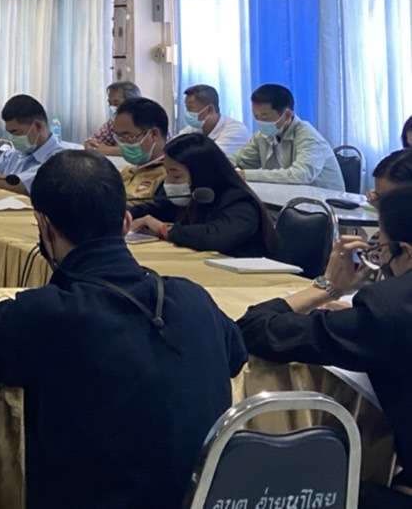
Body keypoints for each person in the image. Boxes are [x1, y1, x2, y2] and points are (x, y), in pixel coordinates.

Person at [0, 150, 247, 509]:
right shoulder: (194, 298)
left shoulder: (44, 314)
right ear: (125, 223)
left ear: (43, 226)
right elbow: (236, 355)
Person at [238, 188, 412, 508]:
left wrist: (328, 287)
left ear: (407, 252)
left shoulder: (388, 310)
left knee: (298, 488)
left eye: (382, 250)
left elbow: (256, 329)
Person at [129, 132, 278, 257]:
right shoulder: (192, 196)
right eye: (167, 173)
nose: (168, 181)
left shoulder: (240, 202)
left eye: (176, 175)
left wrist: (164, 229)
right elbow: (159, 208)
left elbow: (214, 237)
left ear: (201, 174)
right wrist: (126, 215)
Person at [230, 83, 341, 189]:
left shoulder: (309, 137)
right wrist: (223, 166)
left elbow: (300, 175)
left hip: (324, 200)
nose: (260, 122)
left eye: (265, 117)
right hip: (287, 196)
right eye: (256, 116)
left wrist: (245, 175)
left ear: (287, 115)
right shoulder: (262, 135)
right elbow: (240, 160)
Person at [113, 97, 171, 201]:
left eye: (129, 137)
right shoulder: (128, 171)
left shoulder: (169, 177)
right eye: (119, 137)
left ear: (154, 134)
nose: (123, 144)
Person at [176, 83, 250, 157]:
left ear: (210, 109)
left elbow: (208, 158)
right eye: (186, 107)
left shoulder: (236, 130)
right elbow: (172, 148)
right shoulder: (193, 129)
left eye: (190, 108)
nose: (187, 112)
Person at [83, 80, 141, 153]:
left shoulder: (144, 120)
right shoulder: (111, 123)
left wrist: (108, 150)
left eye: (116, 104)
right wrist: (90, 144)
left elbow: (142, 149)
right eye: (110, 104)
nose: (111, 108)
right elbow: (94, 140)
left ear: (132, 103)